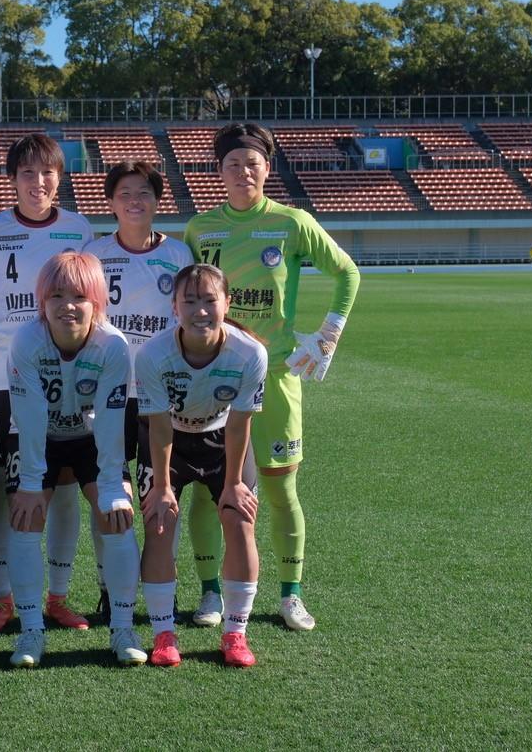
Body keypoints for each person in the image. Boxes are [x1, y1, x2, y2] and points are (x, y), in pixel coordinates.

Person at [184, 122, 360, 631]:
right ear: (219, 171)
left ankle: (291, 594)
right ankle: (210, 591)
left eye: (252, 163)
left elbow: (347, 272)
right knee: (208, 491)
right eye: (233, 164)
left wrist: (328, 333)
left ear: (267, 168)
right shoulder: (200, 230)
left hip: (277, 377)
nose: (243, 172)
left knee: (281, 491)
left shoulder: (292, 222)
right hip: (212, 380)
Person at [0, 134, 94, 635]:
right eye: (27, 172)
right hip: (3, 377)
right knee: (5, 489)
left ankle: (58, 597)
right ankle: (4, 599)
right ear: (12, 179)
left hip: (64, 375)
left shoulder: (78, 228)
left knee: (63, 487)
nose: (38, 182)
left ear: (59, 178)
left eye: (47, 172)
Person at [5, 251, 144, 668]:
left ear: (97, 301)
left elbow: (111, 422)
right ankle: (31, 631)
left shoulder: (113, 346)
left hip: (91, 439)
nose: (67, 305)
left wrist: (112, 486)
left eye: (79, 296)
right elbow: (30, 418)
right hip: (39, 438)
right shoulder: (26, 341)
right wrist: (30, 484)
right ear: (42, 301)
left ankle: (123, 627)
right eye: (57, 296)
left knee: (116, 516)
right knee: (25, 516)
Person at [82, 160, 201, 623]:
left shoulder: (178, 254)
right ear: (111, 203)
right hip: (107, 393)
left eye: (144, 193)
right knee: (109, 494)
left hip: (158, 396)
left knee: (157, 496)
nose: (135, 201)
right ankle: (109, 588)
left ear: (158, 200)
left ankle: (160, 587)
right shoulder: (94, 254)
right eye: (125, 193)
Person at [136, 263, 267, 668]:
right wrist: (161, 487)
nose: (200, 311)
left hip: (223, 439)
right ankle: (163, 634)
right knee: (159, 523)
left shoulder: (250, 353)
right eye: (189, 301)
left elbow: (240, 424)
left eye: (210, 300)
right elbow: (159, 427)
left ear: (227, 303)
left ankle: (235, 633)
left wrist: (234, 484)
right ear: (174, 307)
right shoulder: (153, 354)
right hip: (168, 441)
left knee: (240, 520)